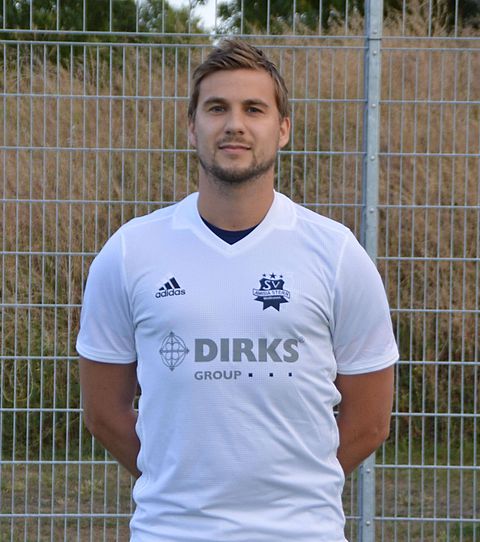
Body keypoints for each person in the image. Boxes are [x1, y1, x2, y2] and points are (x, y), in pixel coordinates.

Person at [76, 39, 398, 542]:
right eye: (216, 108)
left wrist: (296, 494)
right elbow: (103, 413)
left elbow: (371, 420)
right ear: (191, 127)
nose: (234, 124)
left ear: (283, 129)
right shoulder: (130, 252)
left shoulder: (336, 254)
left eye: (254, 109)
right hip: (171, 531)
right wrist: (178, 484)